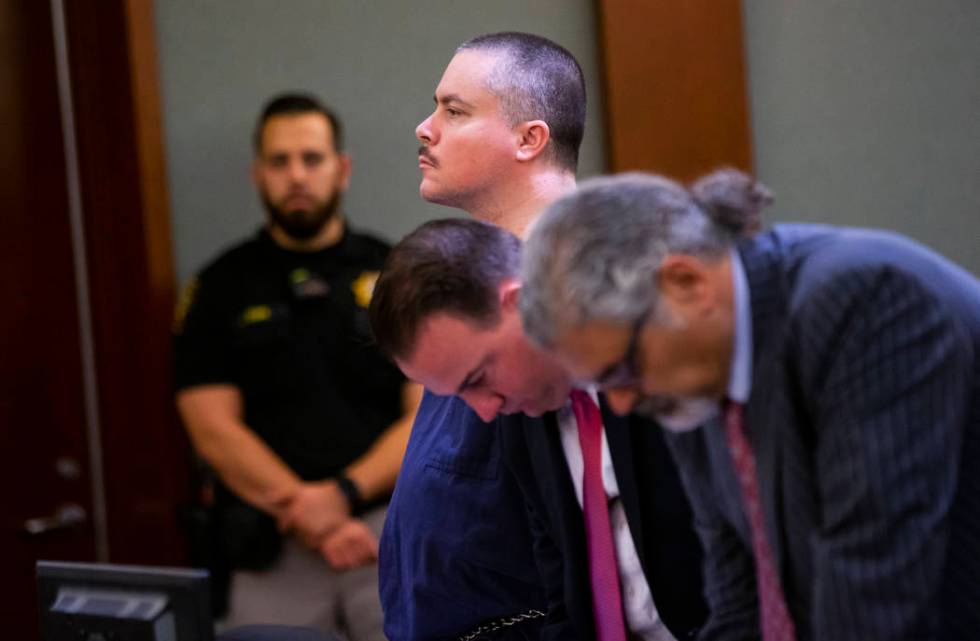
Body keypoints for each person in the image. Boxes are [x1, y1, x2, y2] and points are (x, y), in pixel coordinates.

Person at [518, 169, 980, 641]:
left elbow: (874, 585)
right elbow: (740, 601)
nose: (620, 402)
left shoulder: (861, 302)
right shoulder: (693, 378)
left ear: (685, 282)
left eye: (622, 370)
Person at [370, 218, 708, 641]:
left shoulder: (666, 354)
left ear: (518, 303)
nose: (485, 411)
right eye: (458, 395)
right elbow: (562, 593)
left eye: (476, 379)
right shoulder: (529, 406)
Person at [173, 93, 420, 641]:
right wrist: (310, 512)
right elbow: (211, 428)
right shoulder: (221, 285)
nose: (297, 176)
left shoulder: (397, 271)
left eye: (312, 158)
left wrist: (343, 496)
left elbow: (428, 411)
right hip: (270, 544)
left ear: (342, 168)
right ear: (258, 173)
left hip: (386, 534)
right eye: (280, 161)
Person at [376, 32, 584, 641]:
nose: (425, 127)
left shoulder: (564, 308)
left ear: (530, 139)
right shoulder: (470, 281)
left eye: (454, 111)